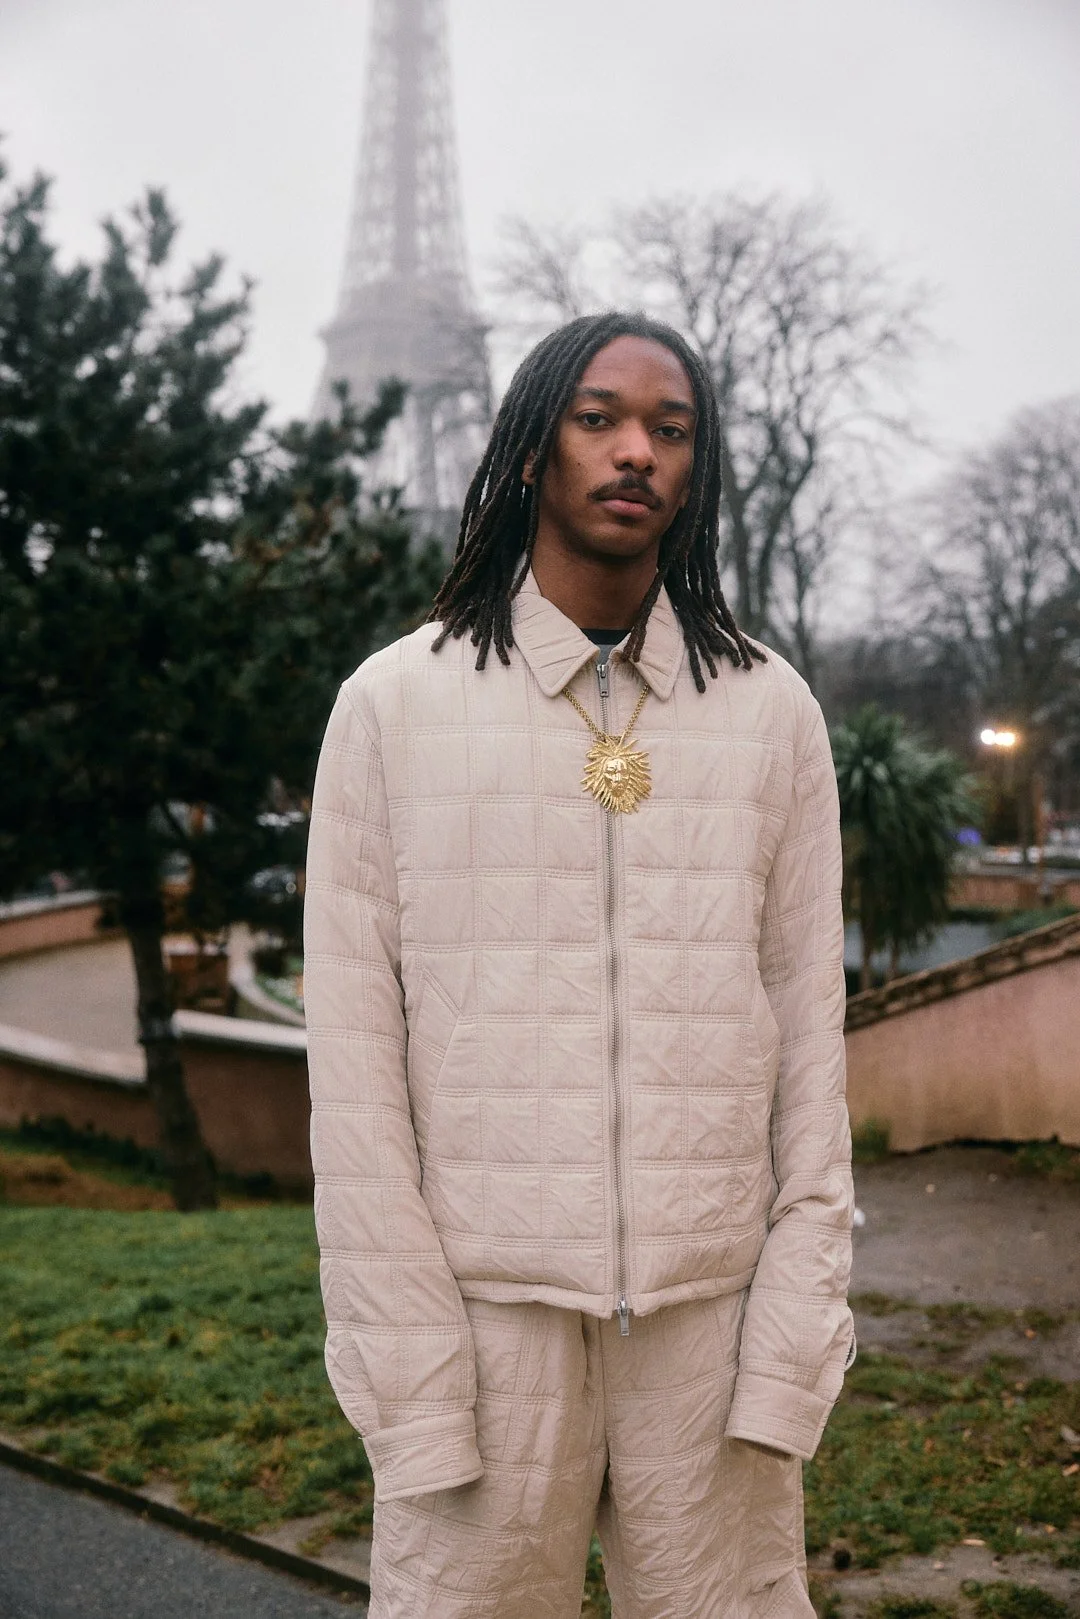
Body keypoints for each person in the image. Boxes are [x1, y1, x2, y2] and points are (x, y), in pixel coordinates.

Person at [304, 311, 854, 1619]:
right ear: (534, 446)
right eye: (599, 417)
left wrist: (791, 1342)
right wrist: (413, 1371)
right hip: (488, 1330)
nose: (636, 453)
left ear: (697, 467)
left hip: (709, 1335)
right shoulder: (394, 703)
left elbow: (811, 1049)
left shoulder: (771, 711)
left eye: (672, 429)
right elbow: (357, 1078)